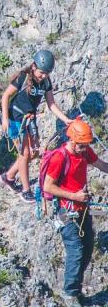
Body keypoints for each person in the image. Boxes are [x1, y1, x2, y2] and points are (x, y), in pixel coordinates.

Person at [42, 118, 108, 307]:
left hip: (82, 209)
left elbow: (101, 165)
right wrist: (74, 196)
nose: (84, 148)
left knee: (87, 248)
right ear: (72, 140)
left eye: (86, 145)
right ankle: (70, 294)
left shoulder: (84, 151)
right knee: (77, 252)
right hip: (67, 211)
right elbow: (48, 186)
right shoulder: (59, 158)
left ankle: (76, 290)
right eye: (81, 145)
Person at [0, 50, 73, 202]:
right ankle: (26, 190)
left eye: (47, 73)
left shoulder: (46, 82)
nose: (43, 76)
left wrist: (65, 119)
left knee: (33, 153)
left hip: (29, 119)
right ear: (33, 66)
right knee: (24, 153)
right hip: (14, 119)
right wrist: (5, 118)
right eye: (41, 72)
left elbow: (51, 103)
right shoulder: (23, 77)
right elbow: (5, 96)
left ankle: (8, 177)